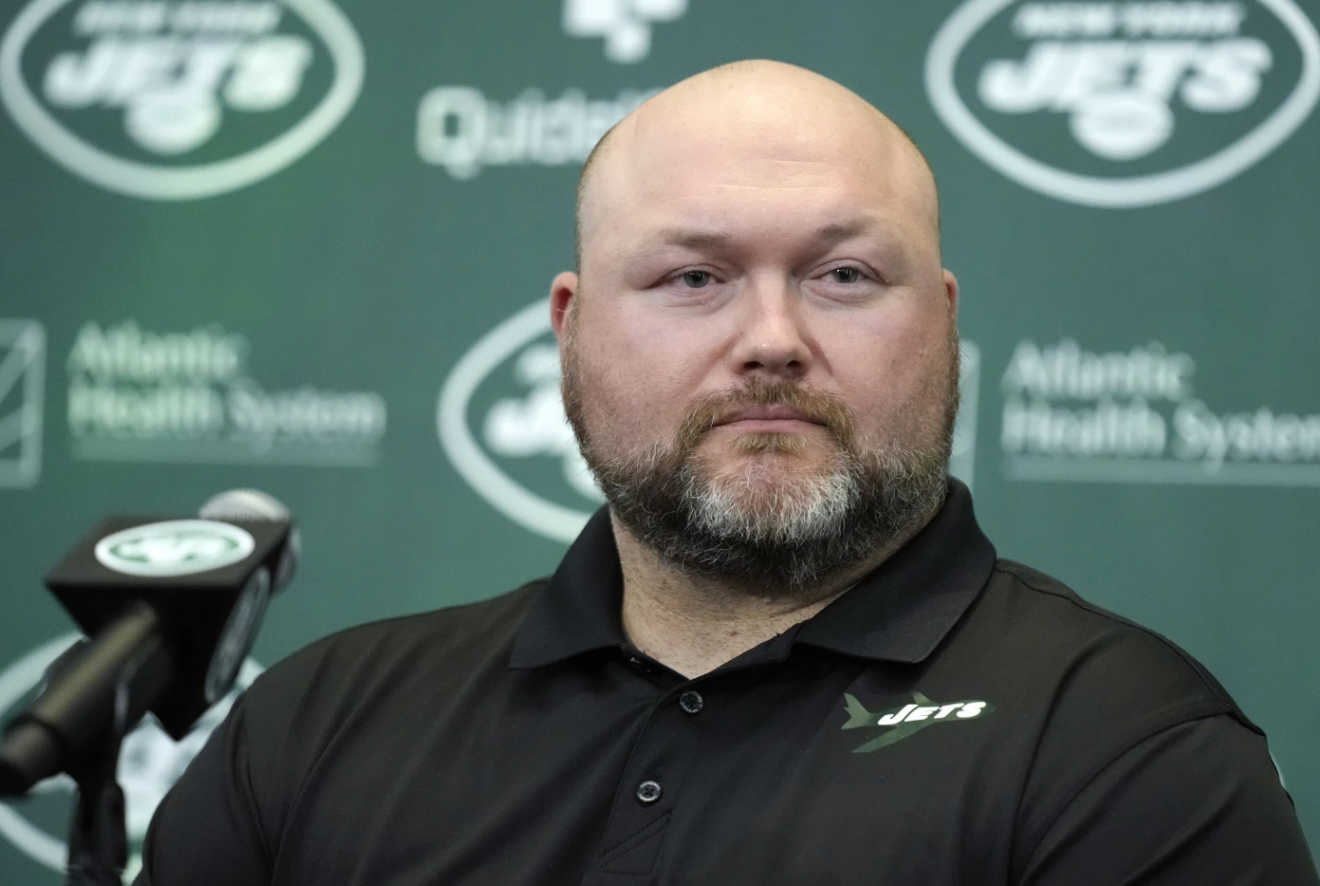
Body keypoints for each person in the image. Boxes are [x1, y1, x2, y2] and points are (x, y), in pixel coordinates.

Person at [136, 60, 1319, 885]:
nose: (772, 338)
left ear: (945, 323)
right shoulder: (319, 724)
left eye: (844, 275)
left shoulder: (1128, 747)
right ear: (572, 329)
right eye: (693, 278)